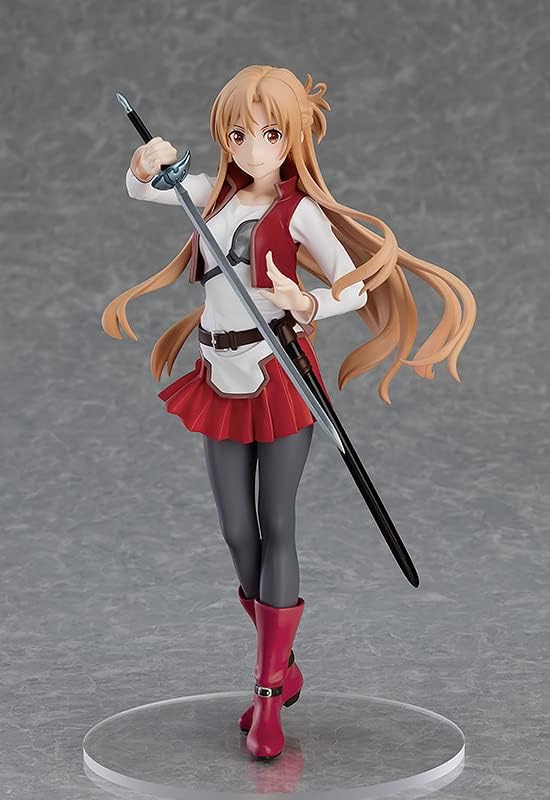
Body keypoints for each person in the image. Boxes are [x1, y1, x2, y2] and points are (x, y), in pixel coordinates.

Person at [101, 65, 476, 759]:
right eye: (238, 134)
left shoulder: (300, 212)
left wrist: (306, 302)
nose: (253, 148)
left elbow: (354, 289)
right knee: (236, 532)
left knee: (277, 524)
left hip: (278, 376)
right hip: (217, 375)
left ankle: (268, 693)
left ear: (293, 138)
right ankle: (286, 661)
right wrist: (146, 159)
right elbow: (143, 186)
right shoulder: (209, 195)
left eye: (270, 134)